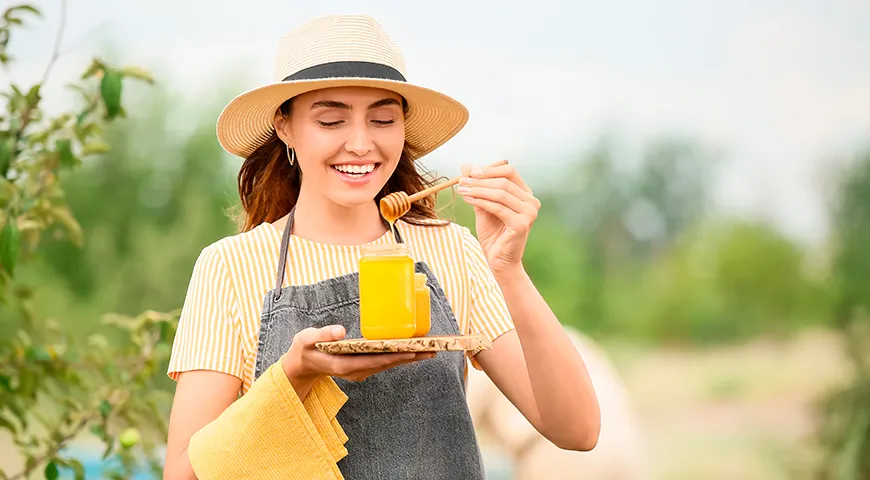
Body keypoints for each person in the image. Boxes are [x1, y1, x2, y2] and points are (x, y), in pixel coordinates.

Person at [163, 14, 601, 480]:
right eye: (331, 120)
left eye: (383, 119)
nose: (360, 143)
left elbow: (578, 431)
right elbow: (183, 474)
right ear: (285, 128)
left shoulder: (452, 250)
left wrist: (508, 267)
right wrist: (295, 375)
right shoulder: (229, 267)